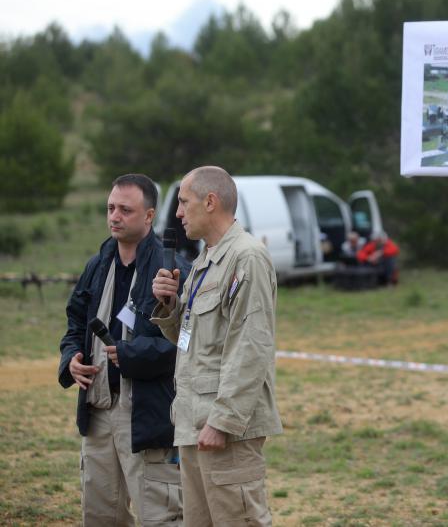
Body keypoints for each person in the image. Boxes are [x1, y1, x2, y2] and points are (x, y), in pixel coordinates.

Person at [151, 165, 283, 526]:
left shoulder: (246, 258)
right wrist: (170, 305)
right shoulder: (206, 260)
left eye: (183, 202)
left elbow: (251, 346)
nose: (177, 212)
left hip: (224, 429)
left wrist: (223, 421)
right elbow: (192, 341)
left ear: (210, 202)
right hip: (195, 424)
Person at [58, 174, 187, 526]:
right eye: (110, 208)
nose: (114, 216)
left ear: (148, 216)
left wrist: (130, 355)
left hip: (146, 412)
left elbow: (185, 343)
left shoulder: (172, 269)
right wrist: (71, 360)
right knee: (99, 515)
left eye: (125, 210)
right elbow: (75, 323)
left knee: (159, 515)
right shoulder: (98, 265)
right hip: (97, 408)